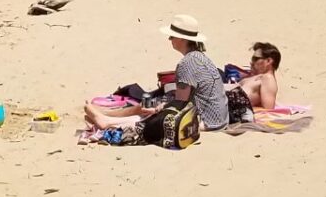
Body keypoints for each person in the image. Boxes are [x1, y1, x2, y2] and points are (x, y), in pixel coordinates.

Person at [81, 14, 228, 140]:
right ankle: (107, 116)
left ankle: (107, 121)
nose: (169, 39)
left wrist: (159, 109)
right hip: (219, 119)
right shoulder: (201, 58)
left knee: (152, 116)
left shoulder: (187, 63)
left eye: (172, 36)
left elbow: (180, 104)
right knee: (150, 106)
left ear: (182, 39)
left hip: (206, 122)